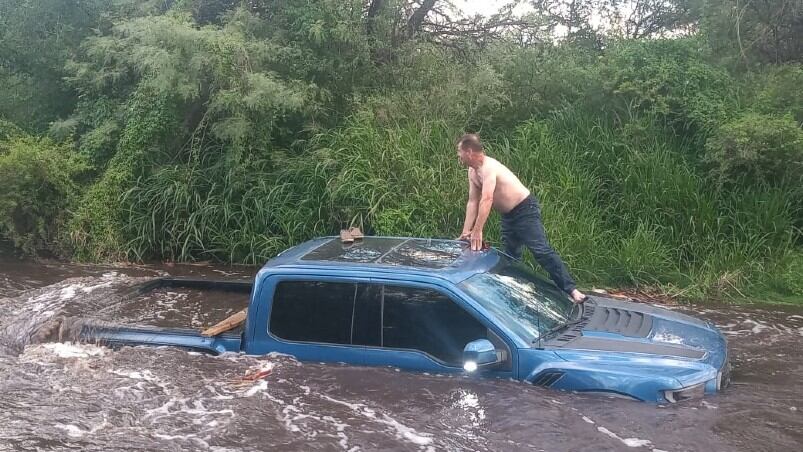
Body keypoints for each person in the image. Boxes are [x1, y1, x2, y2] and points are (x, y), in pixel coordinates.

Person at [456, 133, 587, 303]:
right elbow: (473, 202)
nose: (458, 156)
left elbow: (487, 199)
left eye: (459, 152)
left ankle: (572, 290)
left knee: (541, 251)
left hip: (525, 209)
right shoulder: (472, 172)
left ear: (469, 151)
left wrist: (478, 230)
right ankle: (515, 296)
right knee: (510, 257)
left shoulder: (489, 168)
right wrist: (467, 230)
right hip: (508, 216)